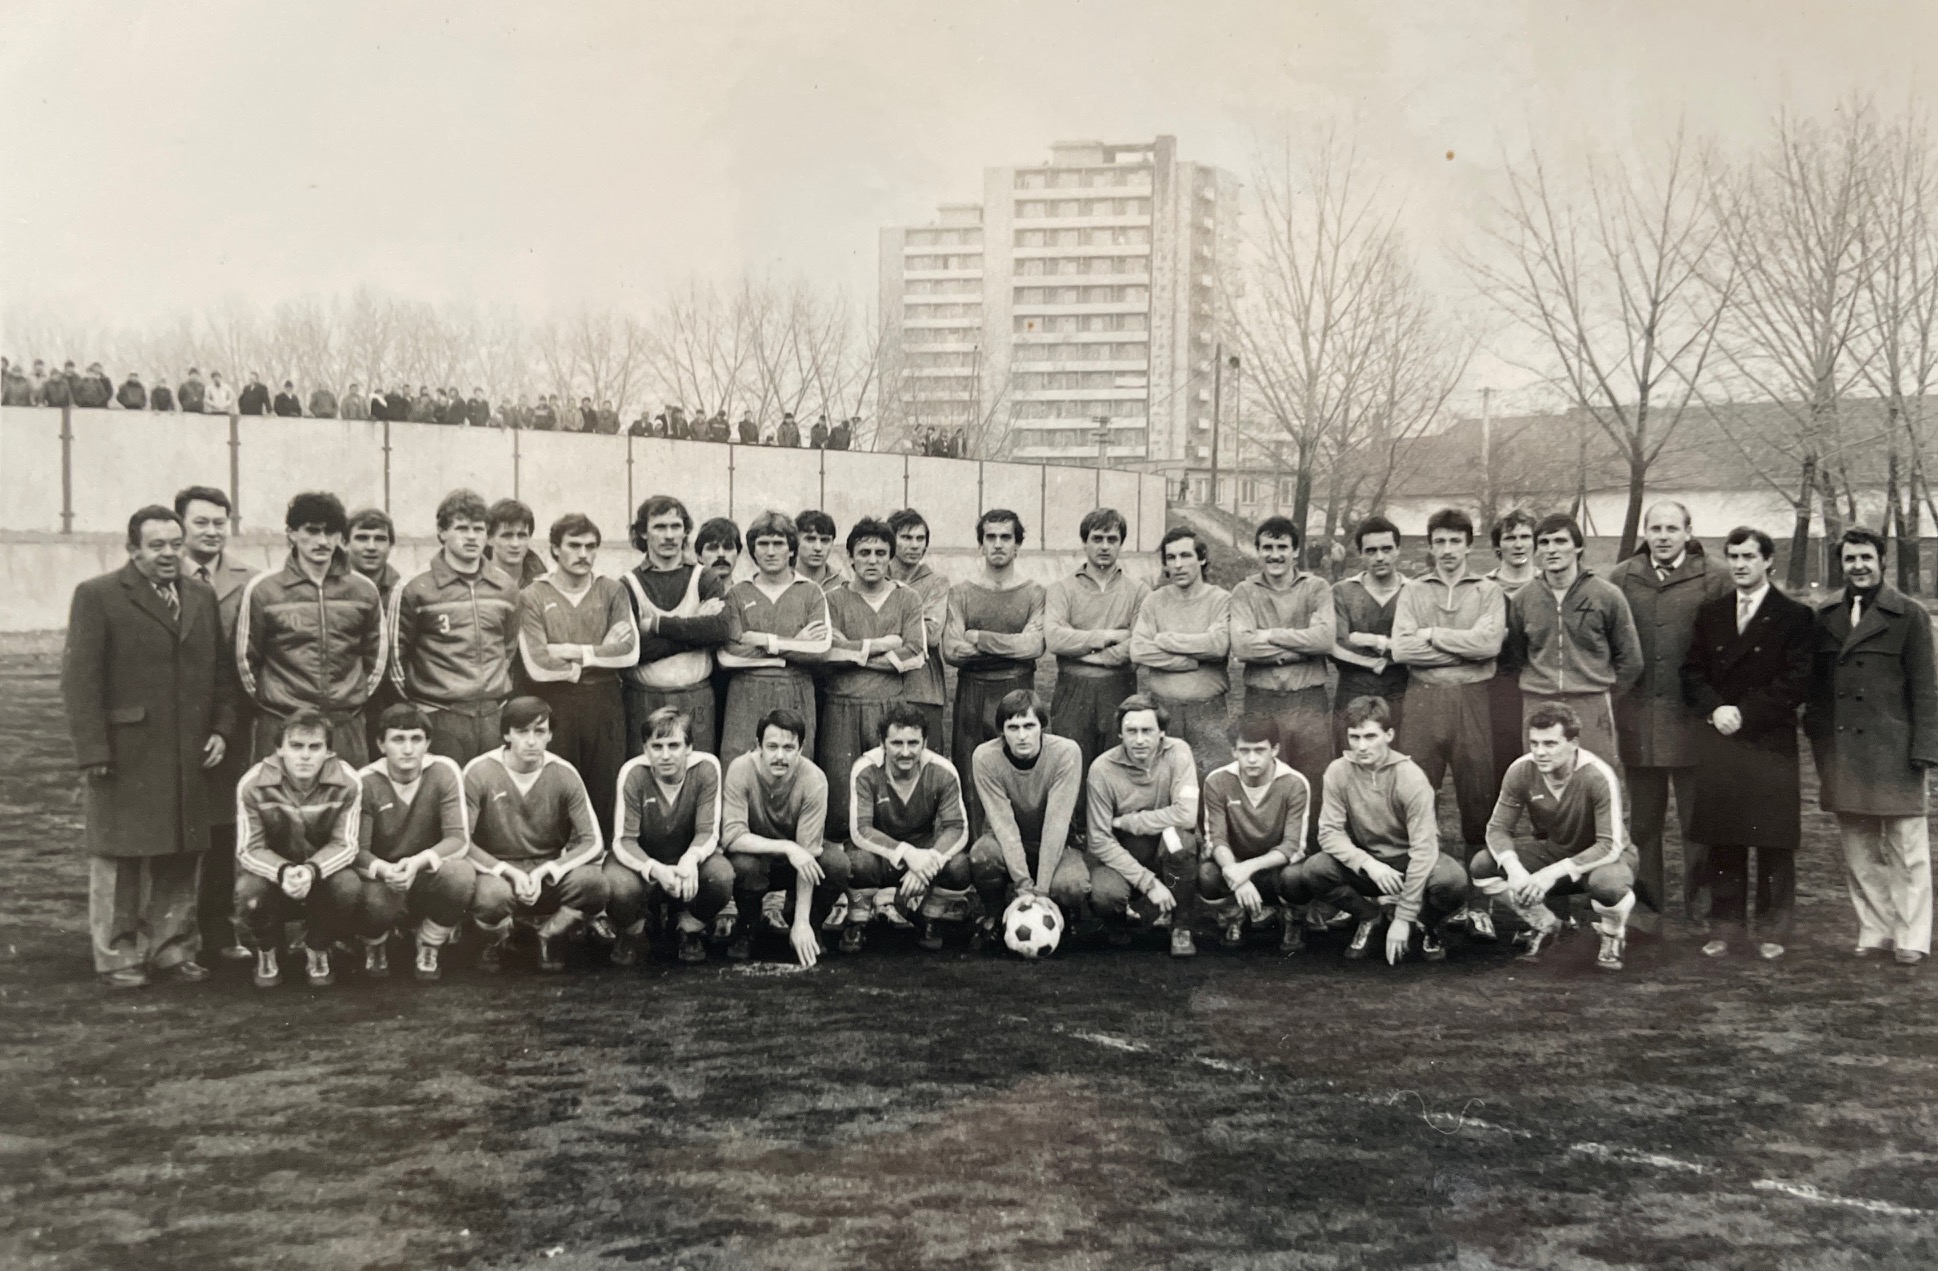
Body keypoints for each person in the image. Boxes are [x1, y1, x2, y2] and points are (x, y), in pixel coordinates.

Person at [62, 504, 236, 989]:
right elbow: (80, 681)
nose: (168, 554)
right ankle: (118, 955)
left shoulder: (200, 595)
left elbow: (222, 675)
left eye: (175, 544)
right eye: (156, 545)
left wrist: (221, 730)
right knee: (120, 856)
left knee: (181, 851)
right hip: (126, 753)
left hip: (189, 752)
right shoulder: (98, 595)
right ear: (132, 549)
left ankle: (172, 949)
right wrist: (94, 751)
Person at [1805, 527, 1938, 965]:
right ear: (1840, 565)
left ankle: (1912, 937)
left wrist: (1925, 749)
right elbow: (1817, 691)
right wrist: (1821, 745)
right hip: (1843, 753)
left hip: (1896, 751)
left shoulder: (1909, 615)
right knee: (1859, 850)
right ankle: (1875, 929)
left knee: (1907, 850)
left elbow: (1926, 689)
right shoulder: (1826, 615)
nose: (1858, 566)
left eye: (1865, 557)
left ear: (1882, 561)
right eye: (1849, 559)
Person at [1679, 527, 1813, 961]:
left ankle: (1774, 929)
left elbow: (1797, 679)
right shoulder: (1711, 613)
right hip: (1721, 738)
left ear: (1768, 561)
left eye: (1749, 556)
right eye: (1733, 556)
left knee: (1773, 839)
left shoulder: (1794, 616)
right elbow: (1691, 672)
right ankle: (1726, 927)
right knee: (1724, 835)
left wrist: (1745, 713)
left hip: (1769, 741)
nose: (1739, 565)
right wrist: (1715, 709)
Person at [1607, 501, 1732, 933]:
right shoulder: (1622, 577)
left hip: (1695, 720)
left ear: (1688, 532)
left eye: (1672, 528)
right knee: (1643, 823)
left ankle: (1701, 910)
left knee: (1698, 822)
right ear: (1646, 532)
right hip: (1639, 720)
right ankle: (1646, 911)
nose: (1663, 536)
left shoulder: (1715, 577)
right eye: (1655, 528)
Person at [1298, 695, 1468, 965]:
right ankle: (1370, 917)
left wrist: (1404, 916)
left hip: (1409, 861)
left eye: (1370, 736)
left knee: (1453, 881)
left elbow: (1424, 849)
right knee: (1314, 870)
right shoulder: (1337, 771)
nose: (1361, 746)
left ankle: (1424, 922)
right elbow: (1329, 833)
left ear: (1389, 735)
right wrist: (1368, 864)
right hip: (1371, 864)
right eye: (1354, 737)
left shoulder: (1410, 776)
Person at [1473, 702, 1640, 972]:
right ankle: (1549, 926)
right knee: (1483, 865)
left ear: (1573, 743)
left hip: (1607, 859)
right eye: (1534, 743)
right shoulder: (1520, 770)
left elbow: (1609, 844)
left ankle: (1612, 933)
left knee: (1608, 885)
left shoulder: (1597, 775)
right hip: (1558, 850)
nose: (1540, 752)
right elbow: (1497, 828)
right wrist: (1515, 870)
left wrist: (1550, 874)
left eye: (1550, 744)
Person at [1390, 508, 1505, 879]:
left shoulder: (1488, 591)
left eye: (1456, 541)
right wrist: (1465, 650)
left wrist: (1433, 635)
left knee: (1478, 793)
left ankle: (1480, 892)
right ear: (1430, 546)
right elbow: (1402, 650)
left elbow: (1489, 646)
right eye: (1440, 541)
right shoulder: (1413, 590)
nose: (1448, 549)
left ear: (1469, 546)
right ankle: (1424, 884)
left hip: (1472, 698)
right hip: (1423, 697)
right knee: (1418, 789)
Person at [235, 492, 387, 764]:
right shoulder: (264, 590)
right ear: (292, 534)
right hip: (283, 723)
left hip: (345, 724)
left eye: (331, 532)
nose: (323, 541)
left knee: (347, 790)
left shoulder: (363, 590)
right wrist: (278, 703)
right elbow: (246, 660)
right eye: (312, 531)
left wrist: (350, 697)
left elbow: (376, 657)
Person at [463, 696, 609, 973]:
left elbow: (593, 841)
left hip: (547, 872)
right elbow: (462, 842)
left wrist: (548, 870)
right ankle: (496, 937)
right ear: (506, 734)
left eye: (539, 731)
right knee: (491, 898)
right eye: (522, 732)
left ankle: (551, 934)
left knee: (594, 883)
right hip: (499, 873)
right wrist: (507, 871)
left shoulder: (563, 773)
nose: (531, 741)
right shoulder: (479, 771)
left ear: (550, 735)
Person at [517, 513, 639, 841]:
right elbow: (537, 664)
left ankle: (602, 857)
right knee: (557, 782)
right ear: (555, 549)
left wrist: (571, 651)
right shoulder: (533, 595)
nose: (583, 554)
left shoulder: (612, 590)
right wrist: (600, 652)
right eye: (574, 545)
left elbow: (629, 652)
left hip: (605, 700)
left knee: (605, 786)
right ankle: (555, 856)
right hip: (556, 703)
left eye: (590, 546)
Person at [176, 484, 258, 962]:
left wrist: (229, 724)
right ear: (181, 525)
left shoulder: (250, 580)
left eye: (219, 523)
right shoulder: (161, 575)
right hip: (176, 719)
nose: (211, 531)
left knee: (225, 828)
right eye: (201, 522)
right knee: (172, 829)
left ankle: (219, 931)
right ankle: (169, 935)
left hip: (233, 718)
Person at [389, 489, 522, 765]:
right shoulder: (415, 587)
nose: (471, 537)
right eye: (462, 528)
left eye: (479, 529)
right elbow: (395, 659)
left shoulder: (505, 586)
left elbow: (508, 647)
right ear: (442, 532)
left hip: (493, 716)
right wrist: (423, 706)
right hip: (439, 716)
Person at [233, 709, 364, 988]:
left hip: (320, 874)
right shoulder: (253, 783)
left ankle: (318, 947)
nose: (305, 756)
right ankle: (267, 950)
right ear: (280, 749)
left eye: (315, 747)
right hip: (272, 876)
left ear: (329, 752)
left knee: (348, 886)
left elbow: (346, 843)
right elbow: (249, 849)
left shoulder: (348, 781)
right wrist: (283, 871)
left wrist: (311, 871)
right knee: (249, 891)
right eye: (296, 746)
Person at [818, 518, 928, 842]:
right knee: (842, 791)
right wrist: (884, 644)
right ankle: (847, 864)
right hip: (842, 706)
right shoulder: (832, 599)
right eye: (864, 552)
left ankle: (889, 861)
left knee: (888, 786)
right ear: (850, 557)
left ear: (890, 557)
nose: (872, 560)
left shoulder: (907, 598)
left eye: (880, 553)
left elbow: (915, 653)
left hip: (889, 706)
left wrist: (855, 653)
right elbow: (828, 651)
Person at [350, 705, 476, 981]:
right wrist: (386, 871)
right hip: (385, 878)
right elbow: (357, 850)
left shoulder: (444, 771)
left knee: (461, 875)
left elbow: (458, 838)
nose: (408, 749)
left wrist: (417, 862)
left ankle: (430, 942)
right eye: (398, 739)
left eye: (416, 739)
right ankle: (375, 943)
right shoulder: (365, 781)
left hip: (424, 873)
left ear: (427, 743)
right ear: (381, 744)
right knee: (370, 901)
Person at [943, 509, 1046, 838]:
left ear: (1018, 545)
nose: (998, 544)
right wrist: (1009, 646)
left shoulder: (1034, 592)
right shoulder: (962, 592)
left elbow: (1033, 646)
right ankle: (974, 847)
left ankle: (1018, 846)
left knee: (1018, 765)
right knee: (971, 770)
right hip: (973, 693)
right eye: (991, 537)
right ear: (981, 544)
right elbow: (952, 650)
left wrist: (980, 638)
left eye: (1006, 537)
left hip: (1017, 689)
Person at [1229, 515, 1333, 839]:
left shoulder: (1316, 587)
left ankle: (1310, 851)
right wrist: (1300, 648)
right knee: (1264, 777)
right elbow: (1243, 646)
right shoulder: (1244, 591)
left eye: (1282, 547)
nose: (1275, 555)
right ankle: (1270, 851)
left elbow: (1324, 640)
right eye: (1268, 548)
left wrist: (1271, 635)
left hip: (1308, 699)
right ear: (1258, 550)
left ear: (1295, 551)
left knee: (1312, 779)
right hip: (1262, 699)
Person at [1508, 513, 1642, 765]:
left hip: (1590, 704)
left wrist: (1601, 693)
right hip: (1539, 702)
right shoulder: (1523, 599)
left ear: (1578, 547)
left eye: (1560, 541)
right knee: (1543, 778)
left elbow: (1631, 660)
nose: (1552, 549)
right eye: (1544, 543)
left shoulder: (1607, 595)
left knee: (1594, 775)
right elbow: (1515, 656)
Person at [605, 706, 734, 966]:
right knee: (616, 885)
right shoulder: (633, 773)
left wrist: (690, 858)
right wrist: (655, 869)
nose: (665, 755)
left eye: (674, 745)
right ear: (645, 749)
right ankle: (634, 929)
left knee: (721, 876)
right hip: (643, 862)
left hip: (685, 860)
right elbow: (624, 840)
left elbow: (707, 831)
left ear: (689, 747)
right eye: (657, 746)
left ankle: (689, 926)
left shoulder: (706, 768)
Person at [841, 703, 972, 951]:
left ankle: (928, 916)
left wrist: (928, 863)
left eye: (913, 743)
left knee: (959, 866)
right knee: (857, 863)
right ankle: (857, 919)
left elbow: (957, 827)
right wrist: (907, 854)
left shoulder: (942, 771)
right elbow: (861, 830)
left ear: (924, 742)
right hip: (879, 854)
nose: (905, 752)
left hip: (923, 851)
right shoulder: (866, 769)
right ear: (882, 743)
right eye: (896, 743)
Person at [721, 708, 847, 967]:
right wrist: (788, 847)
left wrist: (801, 921)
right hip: (758, 860)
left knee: (836, 864)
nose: (780, 756)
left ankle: (808, 924)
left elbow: (808, 854)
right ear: (759, 746)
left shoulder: (814, 779)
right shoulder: (741, 769)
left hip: (797, 863)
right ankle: (748, 925)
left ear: (801, 748)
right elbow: (732, 836)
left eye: (789, 747)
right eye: (772, 746)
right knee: (742, 866)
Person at [967, 690, 1089, 949]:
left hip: (1058, 845)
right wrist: (1024, 888)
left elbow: (1057, 824)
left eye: (1029, 726)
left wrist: (1041, 890)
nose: (1022, 736)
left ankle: (1064, 915)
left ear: (1042, 727)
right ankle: (995, 915)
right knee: (982, 855)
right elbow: (1003, 825)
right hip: (1009, 843)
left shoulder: (1066, 752)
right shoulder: (985, 757)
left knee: (1072, 884)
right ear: (1001, 731)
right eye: (1013, 728)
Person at [1086, 695, 1202, 956]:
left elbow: (1186, 816)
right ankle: (1119, 921)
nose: (1139, 740)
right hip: (1126, 853)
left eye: (1147, 731)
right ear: (1120, 733)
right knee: (1104, 894)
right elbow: (1099, 840)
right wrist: (1148, 883)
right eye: (1131, 731)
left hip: (1165, 847)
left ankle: (1181, 926)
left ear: (1161, 732)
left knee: (1180, 843)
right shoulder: (1101, 769)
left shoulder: (1179, 752)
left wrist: (1130, 821)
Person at [621, 495, 737, 757]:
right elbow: (633, 650)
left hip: (695, 700)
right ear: (643, 532)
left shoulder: (704, 577)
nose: (669, 535)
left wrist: (656, 624)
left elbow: (719, 631)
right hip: (644, 699)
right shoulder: (628, 584)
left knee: (696, 770)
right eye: (660, 527)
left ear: (685, 531)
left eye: (676, 526)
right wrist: (695, 630)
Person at [716, 511, 832, 759]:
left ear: (791, 549)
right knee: (742, 766)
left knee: (793, 766)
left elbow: (820, 649)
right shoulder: (737, 593)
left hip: (795, 692)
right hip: (746, 694)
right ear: (753, 550)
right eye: (763, 544)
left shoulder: (811, 592)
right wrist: (794, 645)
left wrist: (764, 641)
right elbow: (728, 655)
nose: (770, 552)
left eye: (778, 543)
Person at [1045, 508, 1146, 788]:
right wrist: (1108, 636)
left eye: (1112, 539)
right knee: (1072, 768)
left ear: (1121, 544)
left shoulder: (1138, 591)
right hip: (1073, 691)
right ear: (1084, 542)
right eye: (1097, 538)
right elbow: (1054, 639)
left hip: (1119, 689)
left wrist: (1080, 652)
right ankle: (1076, 818)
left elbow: (1137, 645)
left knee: (1118, 770)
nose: (1104, 546)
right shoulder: (1062, 589)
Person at [1199, 715, 1312, 955]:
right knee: (1207, 874)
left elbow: (1292, 845)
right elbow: (1216, 838)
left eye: (1260, 750)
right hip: (1236, 863)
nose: (1251, 759)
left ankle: (1293, 919)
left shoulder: (1294, 783)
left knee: (1296, 876)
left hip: (1276, 869)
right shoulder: (1217, 781)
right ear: (1233, 751)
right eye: (1244, 750)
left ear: (1275, 750)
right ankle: (1235, 916)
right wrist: (1237, 875)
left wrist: (1246, 870)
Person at [1131, 527, 1233, 775]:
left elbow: (1218, 645)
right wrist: (1190, 662)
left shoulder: (1220, 599)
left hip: (1208, 713)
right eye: (1171, 558)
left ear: (1202, 558)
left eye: (1185, 556)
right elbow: (1139, 650)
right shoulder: (1154, 601)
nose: (1177, 565)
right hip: (1163, 711)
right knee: (1164, 780)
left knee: (1211, 781)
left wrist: (1167, 639)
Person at [1330, 515, 1409, 748]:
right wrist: (1393, 645)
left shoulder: (1414, 591)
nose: (1380, 557)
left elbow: (1417, 644)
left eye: (1387, 549)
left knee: (1398, 757)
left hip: (1401, 689)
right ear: (1360, 554)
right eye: (1371, 551)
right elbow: (1339, 643)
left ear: (1398, 550)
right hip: (1353, 689)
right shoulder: (1342, 592)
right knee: (1351, 756)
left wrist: (1370, 640)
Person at [1485, 510, 1540, 790]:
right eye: (1510, 538)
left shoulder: (1547, 584)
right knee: (1501, 762)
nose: (1518, 544)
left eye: (1525, 537)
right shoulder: (1483, 587)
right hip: (1496, 685)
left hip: (1540, 681)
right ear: (1498, 546)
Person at [887, 508, 950, 743]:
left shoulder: (936, 582)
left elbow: (931, 635)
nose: (914, 545)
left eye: (920, 538)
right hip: (880, 685)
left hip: (923, 687)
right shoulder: (875, 578)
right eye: (906, 537)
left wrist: (884, 628)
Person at [346, 506, 404, 756]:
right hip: (348, 697)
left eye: (380, 539)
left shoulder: (403, 589)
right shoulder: (334, 588)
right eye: (362, 538)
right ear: (345, 542)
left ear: (391, 545)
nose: (371, 547)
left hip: (391, 699)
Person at [486, 498, 549, 589]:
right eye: (507, 535)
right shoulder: (473, 584)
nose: (515, 544)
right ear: (489, 539)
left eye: (522, 535)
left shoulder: (543, 586)